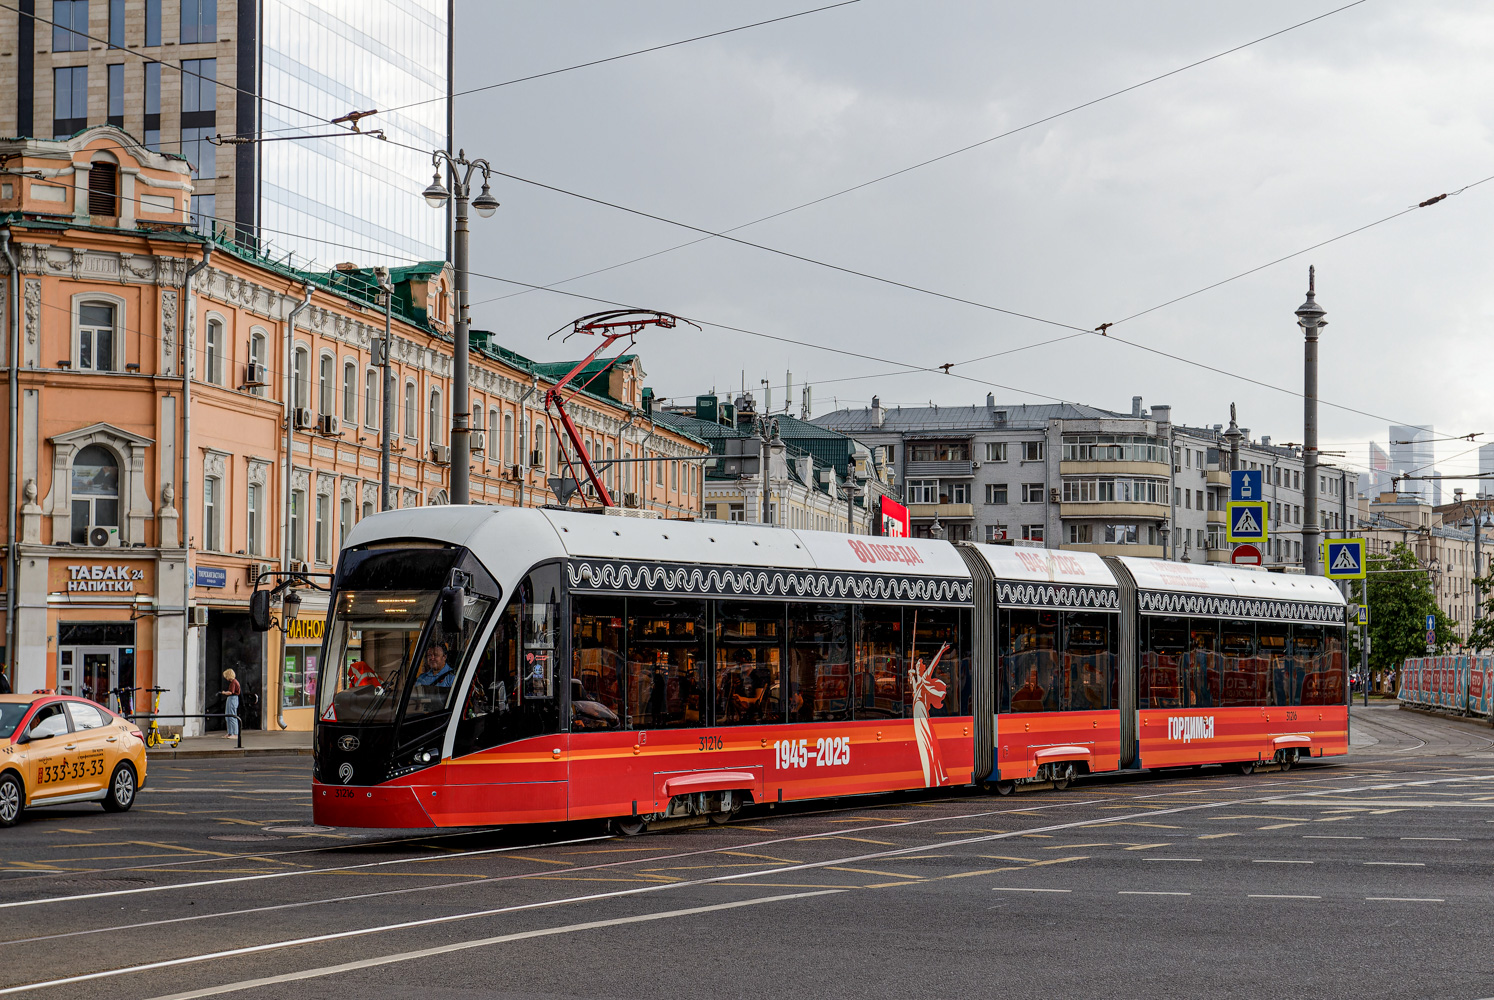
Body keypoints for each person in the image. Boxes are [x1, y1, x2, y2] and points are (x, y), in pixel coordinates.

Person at [221, 669, 241, 739]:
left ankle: (235, 733)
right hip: (232, 698)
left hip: (233, 698)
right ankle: (230, 732)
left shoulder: (233, 682)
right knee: (228, 716)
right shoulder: (234, 682)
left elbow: (230, 692)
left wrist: (224, 692)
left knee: (232, 716)